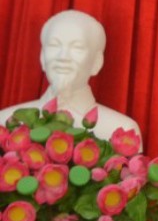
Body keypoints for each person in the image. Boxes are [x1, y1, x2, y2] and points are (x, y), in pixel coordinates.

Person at [0, 9, 140, 140]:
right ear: (42, 57)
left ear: (97, 62)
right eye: (54, 45)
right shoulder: (5, 121)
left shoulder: (122, 131)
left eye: (77, 47)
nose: (63, 57)